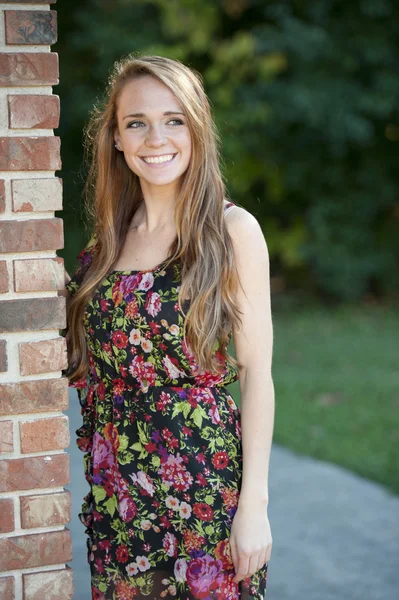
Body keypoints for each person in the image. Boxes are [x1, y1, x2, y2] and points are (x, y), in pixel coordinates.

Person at [62, 54, 274, 600]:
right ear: (115, 137)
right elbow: (74, 358)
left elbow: (256, 376)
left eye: (173, 119)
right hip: (116, 500)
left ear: (197, 127)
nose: (156, 137)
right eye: (137, 122)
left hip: (203, 496)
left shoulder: (232, 231)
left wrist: (253, 507)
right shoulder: (105, 247)